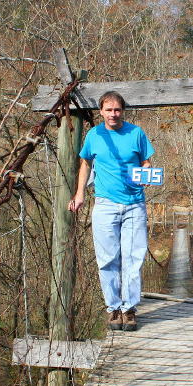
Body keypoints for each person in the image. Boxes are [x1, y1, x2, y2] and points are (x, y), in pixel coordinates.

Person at [68, 91, 154, 332]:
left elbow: (147, 161)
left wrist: (146, 173)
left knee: (133, 258)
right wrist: (80, 193)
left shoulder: (136, 133)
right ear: (101, 111)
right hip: (105, 204)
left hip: (134, 203)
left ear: (122, 111)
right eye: (108, 110)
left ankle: (129, 309)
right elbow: (85, 164)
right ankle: (113, 308)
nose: (113, 114)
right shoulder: (94, 135)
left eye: (117, 110)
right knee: (107, 259)